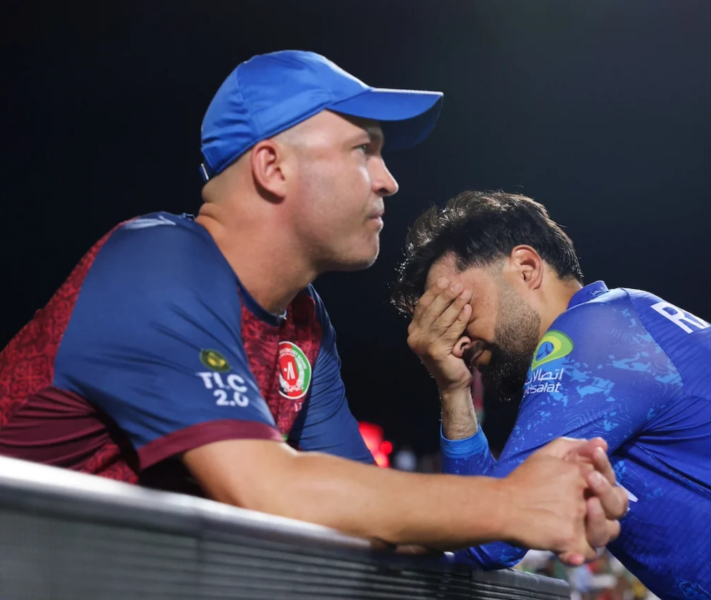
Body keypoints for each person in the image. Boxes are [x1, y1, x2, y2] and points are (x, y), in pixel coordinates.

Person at [0, 52, 626, 558]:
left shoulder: (303, 322)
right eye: (363, 150)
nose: (389, 180)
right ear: (272, 167)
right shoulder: (157, 262)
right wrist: (512, 502)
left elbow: (369, 512)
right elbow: (266, 487)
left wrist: (542, 492)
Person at [393, 190, 711, 597]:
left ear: (527, 267)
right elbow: (489, 518)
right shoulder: (623, 318)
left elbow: (490, 537)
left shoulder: (594, 334)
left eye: (456, 307)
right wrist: (453, 390)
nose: (454, 338)